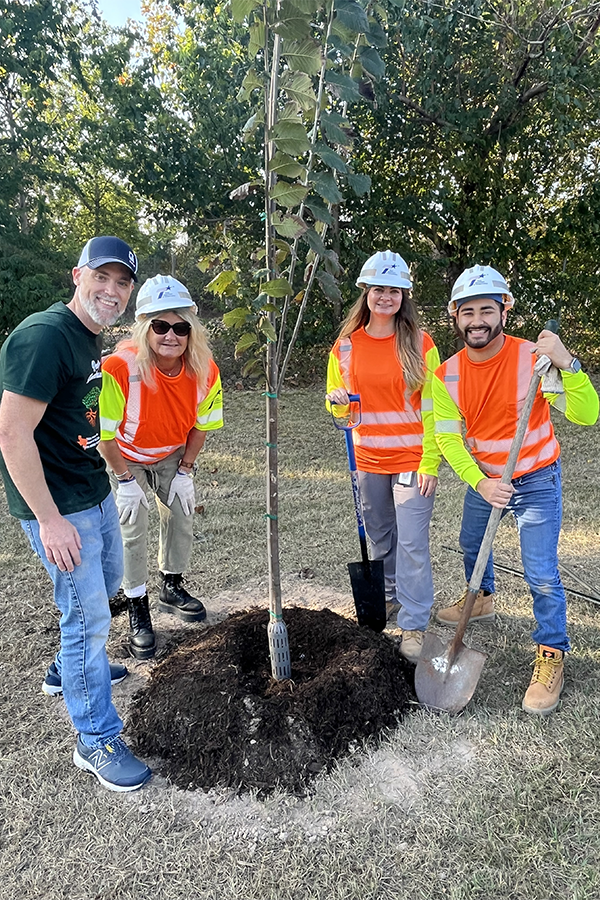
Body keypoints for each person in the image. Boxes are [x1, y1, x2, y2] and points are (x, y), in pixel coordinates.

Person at [0, 236, 152, 792]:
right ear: (77, 276)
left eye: (122, 282)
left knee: (108, 583)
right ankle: (95, 739)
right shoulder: (43, 338)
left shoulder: (90, 338)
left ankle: (66, 675)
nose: (111, 291)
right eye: (102, 278)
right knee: (86, 620)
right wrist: (48, 518)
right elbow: (12, 434)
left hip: (92, 489)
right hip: (58, 505)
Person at [433, 264, 599, 715]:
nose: (477, 321)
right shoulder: (446, 375)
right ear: (455, 316)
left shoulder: (534, 360)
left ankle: (551, 654)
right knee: (472, 545)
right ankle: (482, 599)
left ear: (504, 310)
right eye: (468, 312)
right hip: (487, 481)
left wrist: (569, 365)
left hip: (537, 479)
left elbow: (587, 415)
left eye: (487, 309)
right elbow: (448, 437)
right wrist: (481, 482)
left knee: (540, 572)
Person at [98, 274, 223, 659]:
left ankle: (171, 584)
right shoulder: (118, 369)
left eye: (180, 327)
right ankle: (137, 604)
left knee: (181, 512)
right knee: (132, 524)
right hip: (126, 455)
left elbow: (201, 427)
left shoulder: (204, 370)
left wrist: (185, 471)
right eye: (161, 326)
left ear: (191, 331)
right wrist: (124, 480)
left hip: (171, 453)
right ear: (144, 328)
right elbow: (104, 436)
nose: (171, 335)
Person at [325, 250, 441, 662]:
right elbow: (339, 406)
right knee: (381, 537)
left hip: (412, 460)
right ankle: (388, 597)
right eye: (379, 289)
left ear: (404, 295)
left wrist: (431, 460)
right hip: (368, 459)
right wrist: (336, 403)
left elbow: (435, 408)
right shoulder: (344, 347)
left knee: (411, 543)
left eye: (394, 290)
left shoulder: (421, 344)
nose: (386, 297)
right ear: (366, 293)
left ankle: (413, 623)